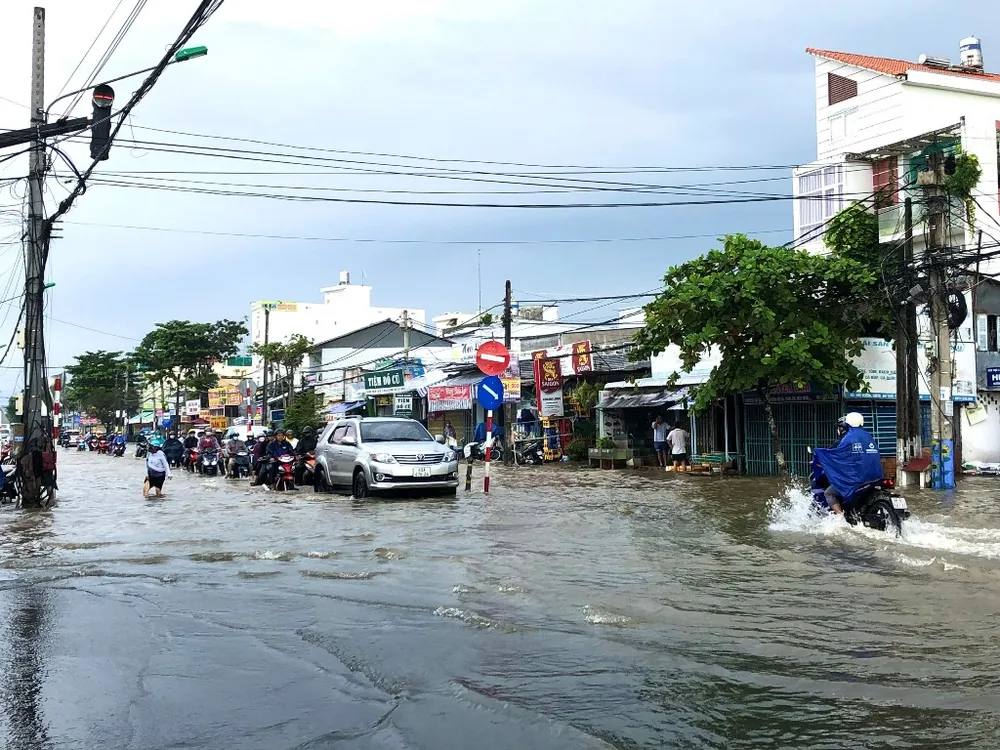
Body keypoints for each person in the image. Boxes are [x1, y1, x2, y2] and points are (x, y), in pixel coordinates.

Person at [815, 413, 883, 514]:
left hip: (856, 478)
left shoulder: (847, 438)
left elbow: (836, 454)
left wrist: (820, 455)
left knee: (829, 493)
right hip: (876, 476)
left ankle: (840, 518)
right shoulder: (868, 436)